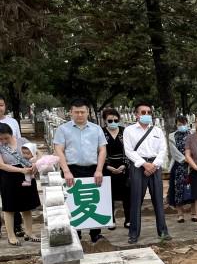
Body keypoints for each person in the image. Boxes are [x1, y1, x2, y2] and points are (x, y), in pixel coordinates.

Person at [53, 98, 107, 244]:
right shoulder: (63, 129)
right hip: (72, 169)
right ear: (70, 112)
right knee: (73, 202)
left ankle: (95, 233)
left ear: (87, 112)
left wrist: (99, 170)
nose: (79, 115)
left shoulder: (96, 129)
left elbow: (102, 150)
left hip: (93, 169)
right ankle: (76, 234)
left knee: (93, 201)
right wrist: (66, 171)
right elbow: (59, 150)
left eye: (82, 112)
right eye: (76, 112)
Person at [123, 101, 171, 244]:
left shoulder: (157, 131)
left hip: (155, 167)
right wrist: (144, 164)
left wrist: (154, 165)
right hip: (138, 166)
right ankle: (133, 234)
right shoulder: (129, 130)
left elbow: (163, 150)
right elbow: (128, 151)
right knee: (136, 200)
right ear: (136, 115)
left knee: (158, 201)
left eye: (148, 112)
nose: (146, 115)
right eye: (143, 112)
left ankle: (163, 232)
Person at [0, 124, 40, 245]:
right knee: (9, 207)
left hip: (27, 175)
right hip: (8, 176)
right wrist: (20, 170)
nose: (3, 141)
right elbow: (1, 165)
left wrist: (35, 164)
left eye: (6, 138)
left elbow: (37, 153)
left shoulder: (23, 141)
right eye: (0, 138)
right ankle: (11, 236)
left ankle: (29, 232)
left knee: (27, 206)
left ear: (11, 134)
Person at [101, 108, 131, 229]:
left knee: (127, 194)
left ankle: (128, 219)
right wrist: (107, 166)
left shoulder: (124, 132)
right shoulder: (101, 133)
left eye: (115, 120)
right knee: (109, 194)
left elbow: (130, 149)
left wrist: (124, 164)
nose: (113, 122)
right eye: (110, 120)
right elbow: (98, 150)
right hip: (107, 166)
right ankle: (111, 220)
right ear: (105, 120)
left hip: (124, 166)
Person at [0, 94, 23, 238]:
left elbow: (19, 142)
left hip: (10, 165)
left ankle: (17, 226)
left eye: (1, 104)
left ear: (5, 106)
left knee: (13, 195)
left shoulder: (12, 122)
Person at [167, 116, 193, 223]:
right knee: (178, 189)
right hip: (178, 165)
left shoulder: (192, 134)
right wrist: (185, 159)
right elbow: (173, 152)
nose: (181, 126)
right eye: (179, 124)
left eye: (183, 123)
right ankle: (180, 214)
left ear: (187, 123)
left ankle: (194, 213)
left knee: (193, 189)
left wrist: (191, 160)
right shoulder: (172, 136)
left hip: (193, 166)